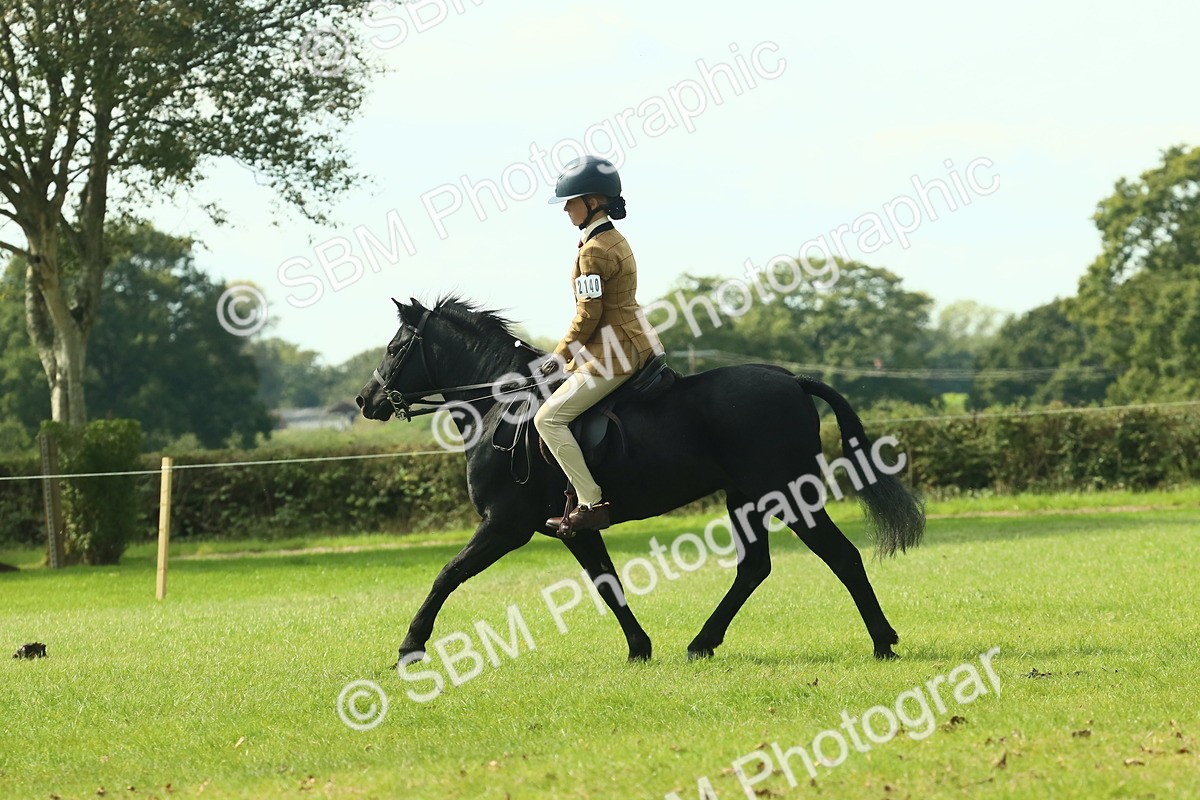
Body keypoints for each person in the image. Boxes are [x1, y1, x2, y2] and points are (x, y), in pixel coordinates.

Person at [534, 155, 660, 536]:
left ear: (592, 201)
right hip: (634, 342)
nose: (567, 209)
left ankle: (590, 502)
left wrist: (560, 356)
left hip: (615, 353)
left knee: (547, 419)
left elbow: (588, 315)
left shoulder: (594, 250)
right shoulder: (614, 238)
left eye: (571, 201)